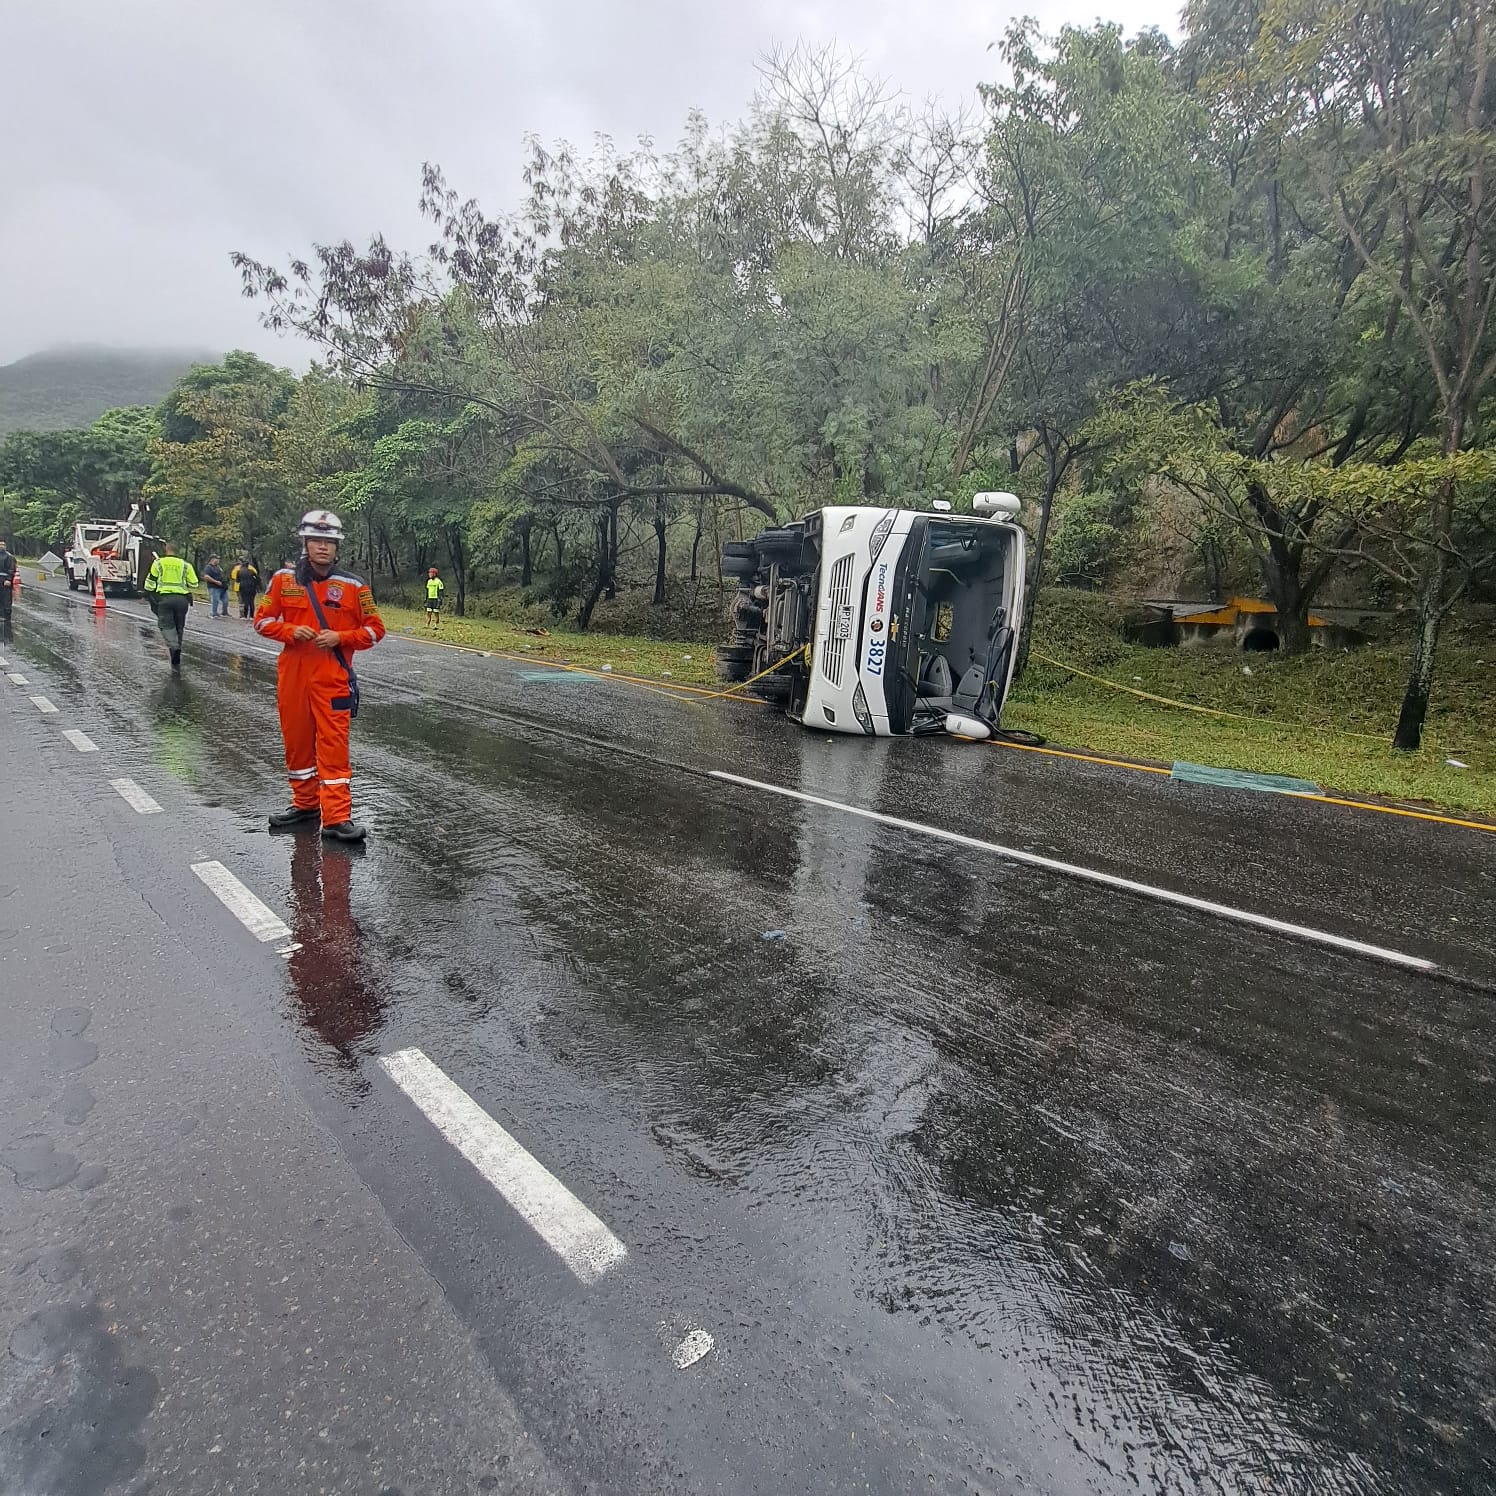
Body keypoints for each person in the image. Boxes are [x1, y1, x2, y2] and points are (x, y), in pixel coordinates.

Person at [254, 510, 385, 843]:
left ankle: (337, 818)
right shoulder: (284, 580)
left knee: (333, 749)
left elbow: (375, 630)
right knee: (297, 745)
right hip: (293, 677)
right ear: (305, 542)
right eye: (317, 541)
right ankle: (306, 804)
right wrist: (288, 630)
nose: (323, 547)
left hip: (333, 679)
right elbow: (261, 622)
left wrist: (340, 638)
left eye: (329, 542)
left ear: (337, 546)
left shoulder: (354, 585)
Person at [143, 541, 198, 671]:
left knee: (167, 625)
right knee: (179, 627)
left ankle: (174, 647)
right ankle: (176, 653)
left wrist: (149, 593)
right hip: (182, 601)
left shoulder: (158, 563)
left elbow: (150, 582)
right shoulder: (185, 565)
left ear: (166, 549)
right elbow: (194, 583)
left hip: (165, 600)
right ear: (177, 550)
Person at [424, 566, 445, 631]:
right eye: (429, 573)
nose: (429, 574)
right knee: (428, 612)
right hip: (430, 599)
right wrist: (426, 598)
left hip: (436, 599)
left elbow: (441, 591)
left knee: (436, 613)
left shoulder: (438, 581)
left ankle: (436, 625)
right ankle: (427, 624)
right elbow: (427, 591)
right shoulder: (429, 581)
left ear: (434, 574)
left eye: (431, 573)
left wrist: (440, 599)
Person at [0, 539, 15, 625]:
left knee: (6, 599)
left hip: (5, 579)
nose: (1, 546)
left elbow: (11, 569)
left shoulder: (9, 556)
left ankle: (6, 617)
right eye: (0, 545)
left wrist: (8, 579)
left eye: (3, 545)